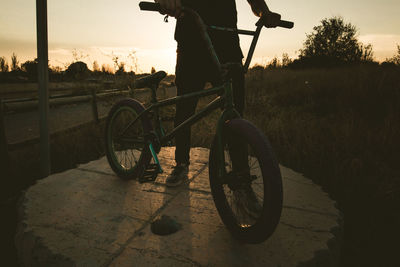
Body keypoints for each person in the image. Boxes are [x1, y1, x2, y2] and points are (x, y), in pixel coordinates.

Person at [154, 0, 281, 186]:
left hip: (226, 45)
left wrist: (264, 11)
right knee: (184, 110)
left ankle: (241, 174)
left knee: (235, 114)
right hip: (191, 46)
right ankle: (181, 163)